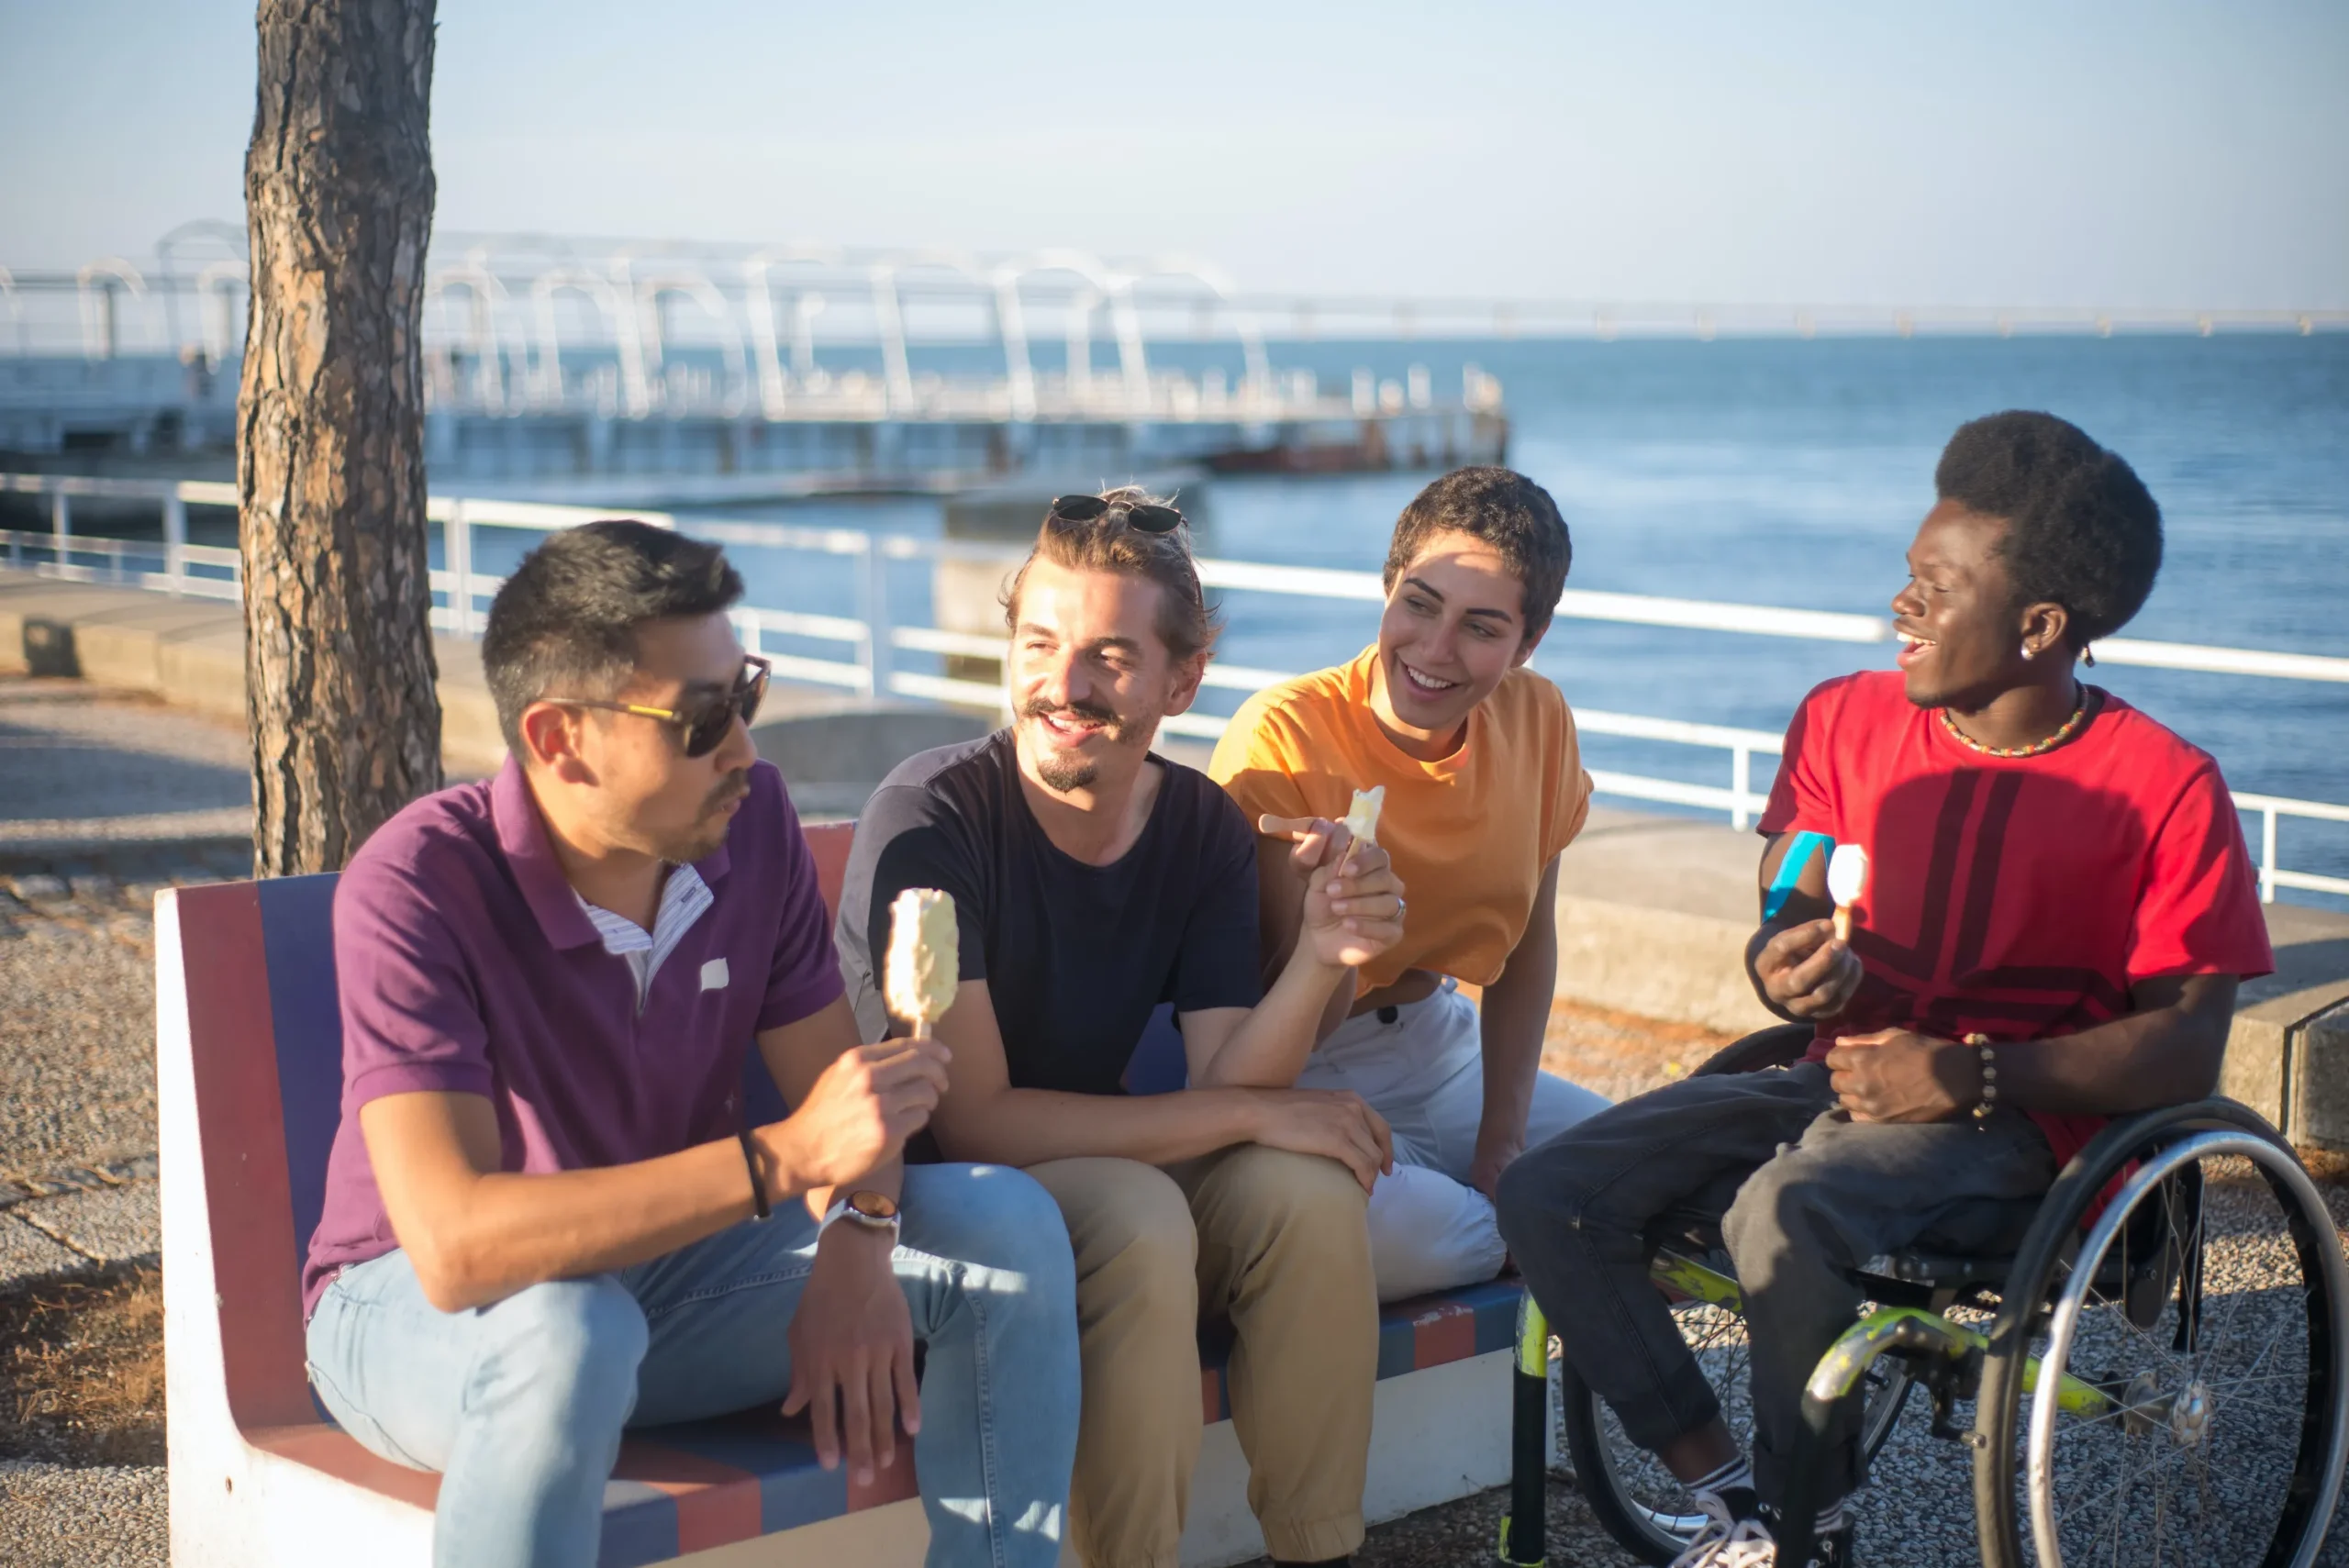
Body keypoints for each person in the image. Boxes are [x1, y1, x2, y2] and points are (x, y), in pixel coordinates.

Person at [1495, 411, 2274, 1568]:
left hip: (2023, 1134)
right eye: (1906, 577)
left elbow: (2187, 1047)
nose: (1898, 606)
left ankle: (1809, 1532)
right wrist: (1789, 958)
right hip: (1832, 1079)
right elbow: (1791, 889)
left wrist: (1973, 1071)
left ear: (2039, 624)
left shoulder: (2163, 788)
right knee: (1551, 1186)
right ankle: (1741, 1502)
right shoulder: (1842, 719)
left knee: (1787, 1206)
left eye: (1932, 585)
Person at [301, 521, 1081, 1568]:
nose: (746, 748)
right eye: (702, 718)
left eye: (745, 693)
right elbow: (455, 1247)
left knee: (1010, 1226)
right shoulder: (418, 886)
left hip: (662, 1280)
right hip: (415, 1314)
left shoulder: (749, 820)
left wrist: (862, 1235)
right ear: (557, 738)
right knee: (569, 1334)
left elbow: (845, 1099)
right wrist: (783, 1161)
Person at [835, 488, 1408, 1568]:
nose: (1065, 683)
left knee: (1306, 1191)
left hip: (1083, 1155)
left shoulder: (1196, 824)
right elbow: (981, 1124)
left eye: (1109, 653)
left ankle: (1320, 1545)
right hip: (925, 1188)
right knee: (1142, 1213)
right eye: (1039, 643)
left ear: (1180, 681)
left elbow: (1229, 1065)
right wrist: (1250, 1109)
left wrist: (1322, 957)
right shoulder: (932, 818)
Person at [1210, 466, 1611, 1301]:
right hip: (1312, 1066)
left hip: (1442, 1045)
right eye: (1419, 604)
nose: (1434, 650)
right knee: (1437, 1232)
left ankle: (1524, 1230)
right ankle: (1526, 1244)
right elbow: (1267, 1015)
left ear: (1528, 642)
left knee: (1648, 1171)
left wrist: (1502, 1143)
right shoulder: (1283, 737)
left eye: (1482, 626)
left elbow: (1529, 950)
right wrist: (1336, 928)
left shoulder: (1539, 720)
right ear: (1388, 587)